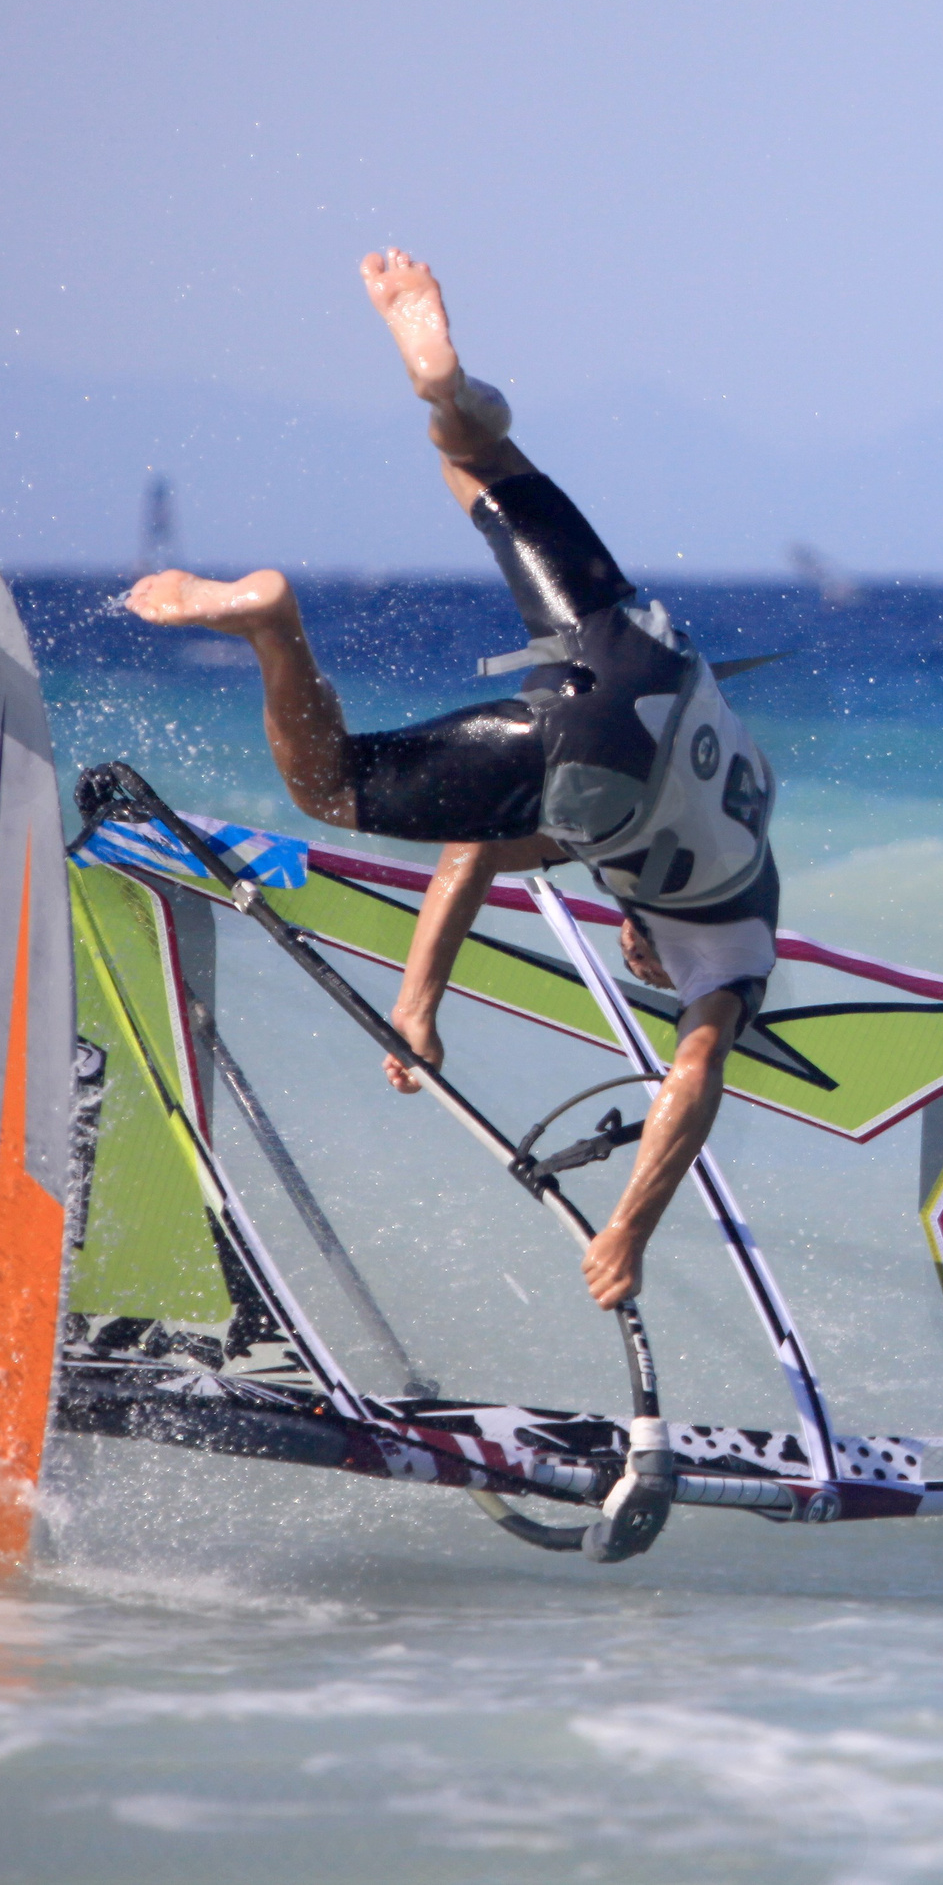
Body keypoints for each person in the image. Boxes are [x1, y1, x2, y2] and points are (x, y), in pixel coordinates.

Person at [125, 250, 778, 1311]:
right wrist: (628, 1231)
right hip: (605, 755)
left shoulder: (742, 808)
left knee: (471, 458)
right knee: (329, 790)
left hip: (645, 650)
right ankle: (272, 627)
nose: (637, 958)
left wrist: (418, 1002)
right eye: (653, 973)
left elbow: (474, 848)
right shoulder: (735, 948)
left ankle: (446, 389)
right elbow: (693, 1080)